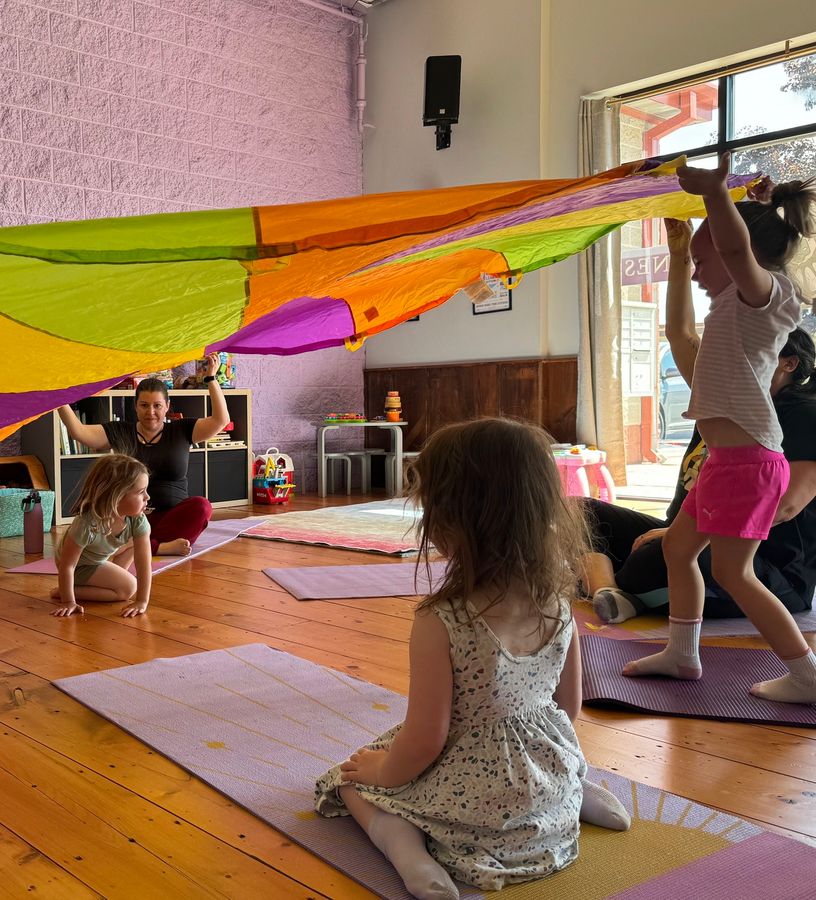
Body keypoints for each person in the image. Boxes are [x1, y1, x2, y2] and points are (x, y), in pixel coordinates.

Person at [314, 419, 629, 899]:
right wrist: (550, 768)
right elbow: (569, 709)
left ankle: (405, 850)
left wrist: (381, 771)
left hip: (476, 806)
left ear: (452, 519)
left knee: (349, 781)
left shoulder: (443, 621)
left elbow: (424, 741)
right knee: (546, 761)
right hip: (547, 778)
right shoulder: (559, 602)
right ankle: (572, 795)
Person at [623, 158, 816, 705]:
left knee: (736, 572)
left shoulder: (768, 300)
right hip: (724, 463)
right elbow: (683, 320)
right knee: (679, 551)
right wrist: (684, 250)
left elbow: (734, 249)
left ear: (740, 258)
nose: (697, 270)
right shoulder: (731, 310)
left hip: (750, 463)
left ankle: (806, 672)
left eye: (703, 260)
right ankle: (683, 653)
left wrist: (715, 196)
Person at [583, 220, 816, 625]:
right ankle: (612, 591)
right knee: (580, 515)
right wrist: (676, 257)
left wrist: (678, 536)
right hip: (689, 537)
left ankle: (614, 583)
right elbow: (679, 333)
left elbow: (787, 503)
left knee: (660, 558)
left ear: (783, 360)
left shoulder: (802, 414)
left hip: (771, 569)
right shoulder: (723, 395)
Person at [57, 352, 230, 556]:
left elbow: (221, 420)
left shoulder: (181, 430)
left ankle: (141, 546)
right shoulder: (121, 431)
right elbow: (79, 432)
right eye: (144, 405)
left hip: (171, 516)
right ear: (136, 407)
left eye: (157, 406)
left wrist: (211, 378)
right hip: (128, 519)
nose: (151, 412)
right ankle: (156, 547)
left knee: (202, 507)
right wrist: (58, 397)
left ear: (167, 407)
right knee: (97, 516)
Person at [51, 453, 153, 619]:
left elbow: (144, 564)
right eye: (141, 492)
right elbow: (66, 566)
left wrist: (142, 601)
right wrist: (68, 601)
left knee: (136, 546)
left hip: (98, 559)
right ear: (116, 496)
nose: (147, 497)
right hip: (79, 568)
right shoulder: (86, 524)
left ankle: (107, 579)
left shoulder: (137, 520)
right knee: (127, 588)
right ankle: (65, 590)